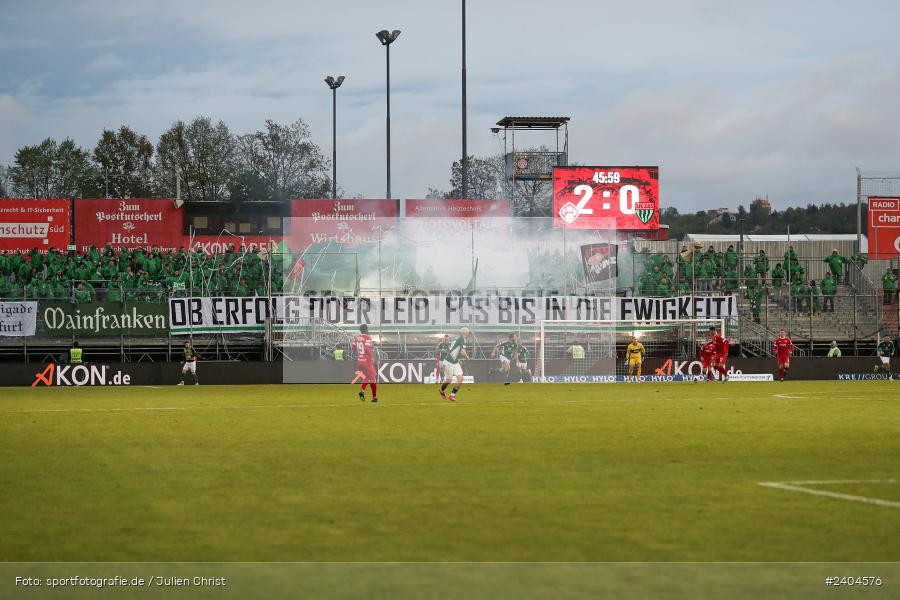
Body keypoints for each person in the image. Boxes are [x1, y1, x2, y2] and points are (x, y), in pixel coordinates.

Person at [440, 327, 470, 402]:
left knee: (460, 378)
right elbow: (463, 352)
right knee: (448, 380)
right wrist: (467, 357)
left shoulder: (458, 338)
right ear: (466, 333)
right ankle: (441, 390)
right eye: (468, 333)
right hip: (449, 362)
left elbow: (456, 350)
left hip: (455, 362)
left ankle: (452, 395)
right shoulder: (462, 339)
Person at [353, 324, 378, 403]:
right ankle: (374, 398)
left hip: (360, 361)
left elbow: (353, 347)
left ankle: (362, 391)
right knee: (373, 378)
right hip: (367, 361)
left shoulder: (357, 338)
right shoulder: (367, 337)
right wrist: (372, 357)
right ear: (366, 330)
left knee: (367, 377)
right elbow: (367, 348)